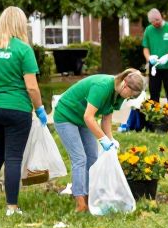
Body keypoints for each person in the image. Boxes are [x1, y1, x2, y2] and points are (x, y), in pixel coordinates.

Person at [0, 6, 46, 216]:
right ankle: (11, 207)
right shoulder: (23, 49)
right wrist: (39, 108)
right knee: (13, 157)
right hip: (16, 109)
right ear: (20, 24)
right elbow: (31, 87)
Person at [53, 69, 146, 212]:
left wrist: (110, 140)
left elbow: (106, 117)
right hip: (66, 115)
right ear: (125, 85)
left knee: (92, 157)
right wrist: (102, 139)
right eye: (130, 95)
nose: (128, 99)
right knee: (80, 158)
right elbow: (89, 117)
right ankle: (80, 203)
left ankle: (90, 197)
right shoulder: (103, 87)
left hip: (82, 119)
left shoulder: (119, 94)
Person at [141, 8, 168, 106]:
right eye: (153, 22)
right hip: (155, 67)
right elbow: (145, 48)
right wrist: (149, 58)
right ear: (150, 22)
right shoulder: (149, 30)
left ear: (161, 17)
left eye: (158, 20)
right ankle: (154, 116)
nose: (156, 23)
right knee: (154, 93)